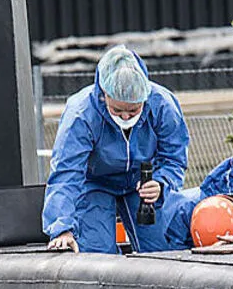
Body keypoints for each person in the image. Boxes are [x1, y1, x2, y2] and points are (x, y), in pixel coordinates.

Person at [43, 45, 190, 254]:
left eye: (133, 109)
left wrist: (162, 183)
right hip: (94, 183)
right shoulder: (81, 115)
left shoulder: (163, 105)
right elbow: (67, 173)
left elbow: (174, 158)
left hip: (144, 184)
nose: (126, 116)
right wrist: (61, 228)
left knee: (163, 251)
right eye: (117, 110)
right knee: (96, 254)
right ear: (104, 95)